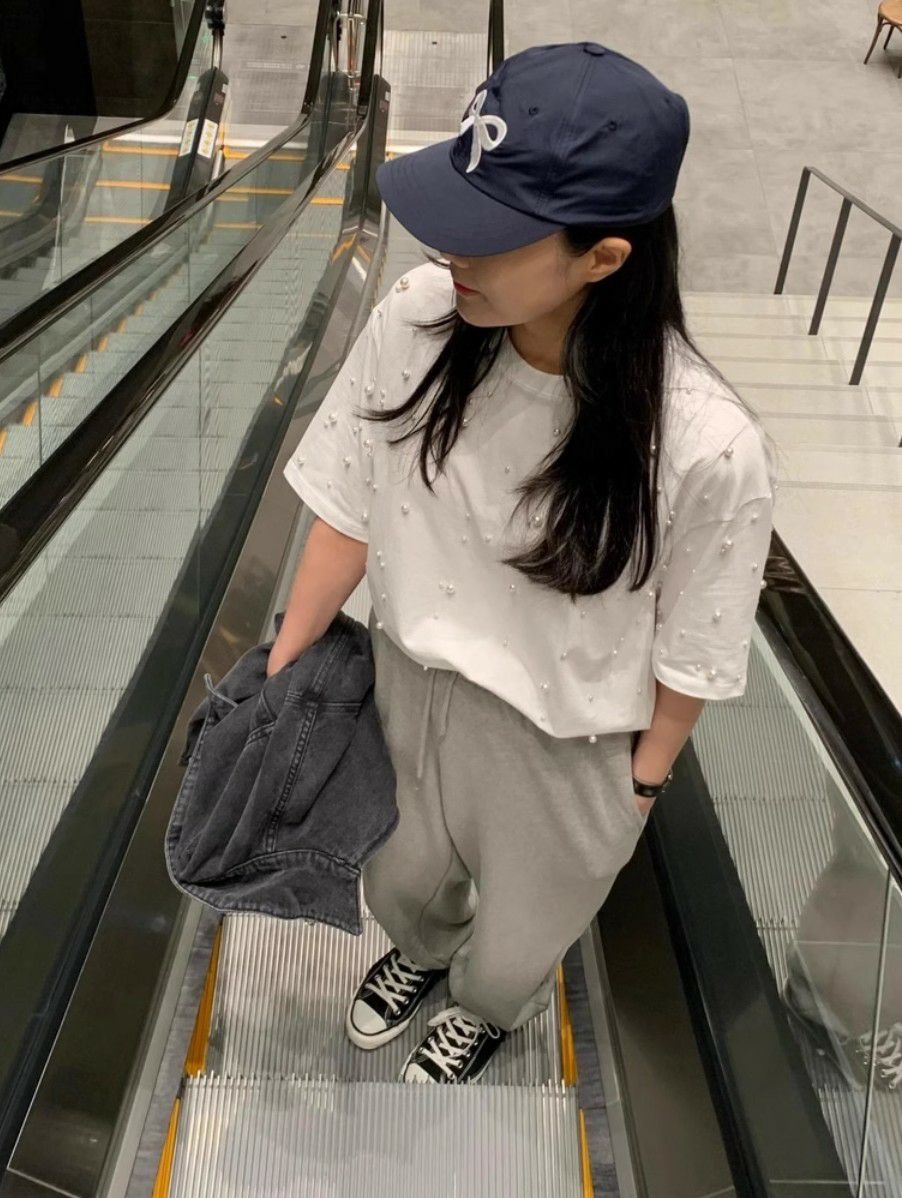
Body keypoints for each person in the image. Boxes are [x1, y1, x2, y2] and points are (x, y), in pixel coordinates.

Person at [273, 41, 779, 1085]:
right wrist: (283, 677)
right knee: (398, 882)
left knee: (520, 939)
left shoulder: (702, 443)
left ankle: (485, 1007)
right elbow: (347, 507)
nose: (451, 249)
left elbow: (696, 644)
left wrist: (636, 792)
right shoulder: (418, 320)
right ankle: (420, 954)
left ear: (604, 257)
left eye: (494, 234)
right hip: (407, 685)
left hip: (565, 741)